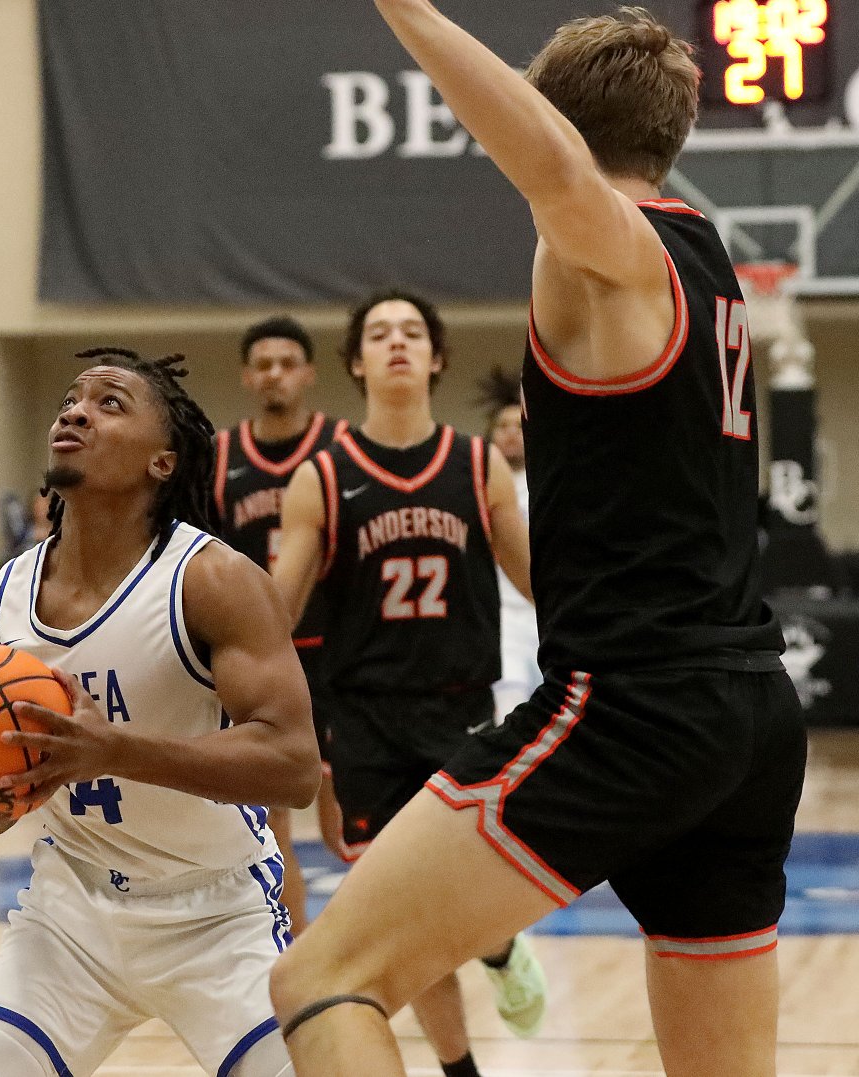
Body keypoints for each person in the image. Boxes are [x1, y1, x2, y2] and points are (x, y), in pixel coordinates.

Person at [269, 8, 808, 1077]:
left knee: (319, 978)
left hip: (636, 707)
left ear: (550, 119)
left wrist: (407, 8)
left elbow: (559, 173)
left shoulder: (610, 246)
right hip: (747, 710)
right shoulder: (707, 258)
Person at [0, 347, 318, 1077]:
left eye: (110, 402)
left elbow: (293, 767)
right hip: (71, 912)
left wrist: (111, 749)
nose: (74, 410)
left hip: (217, 913)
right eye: (70, 399)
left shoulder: (213, 580)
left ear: (163, 460)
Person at [271, 290, 545, 1077]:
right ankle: (461, 1067)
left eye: (413, 332)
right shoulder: (320, 478)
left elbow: (539, 586)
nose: (397, 343)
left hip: (460, 710)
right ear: (355, 361)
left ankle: (495, 945)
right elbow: (278, 612)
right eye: (379, 334)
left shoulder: (477, 464)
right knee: (404, 916)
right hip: (363, 718)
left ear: (437, 356)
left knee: (456, 905)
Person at [213, 314, 346, 932]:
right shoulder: (217, 459)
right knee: (273, 829)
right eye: (263, 363)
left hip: (343, 656)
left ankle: (356, 960)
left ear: (308, 373)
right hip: (259, 661)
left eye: (287, 362)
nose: (275, 374)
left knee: (350, 833)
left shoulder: (340, 450)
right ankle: (290, 963)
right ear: (247, 376)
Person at [477, 368, 542, 724]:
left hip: (544, 612)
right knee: (510, 718)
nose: (510, 434)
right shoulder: (481, 480)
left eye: (518, 425)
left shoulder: (547, 480)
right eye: (502, 427)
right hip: (501, 614)